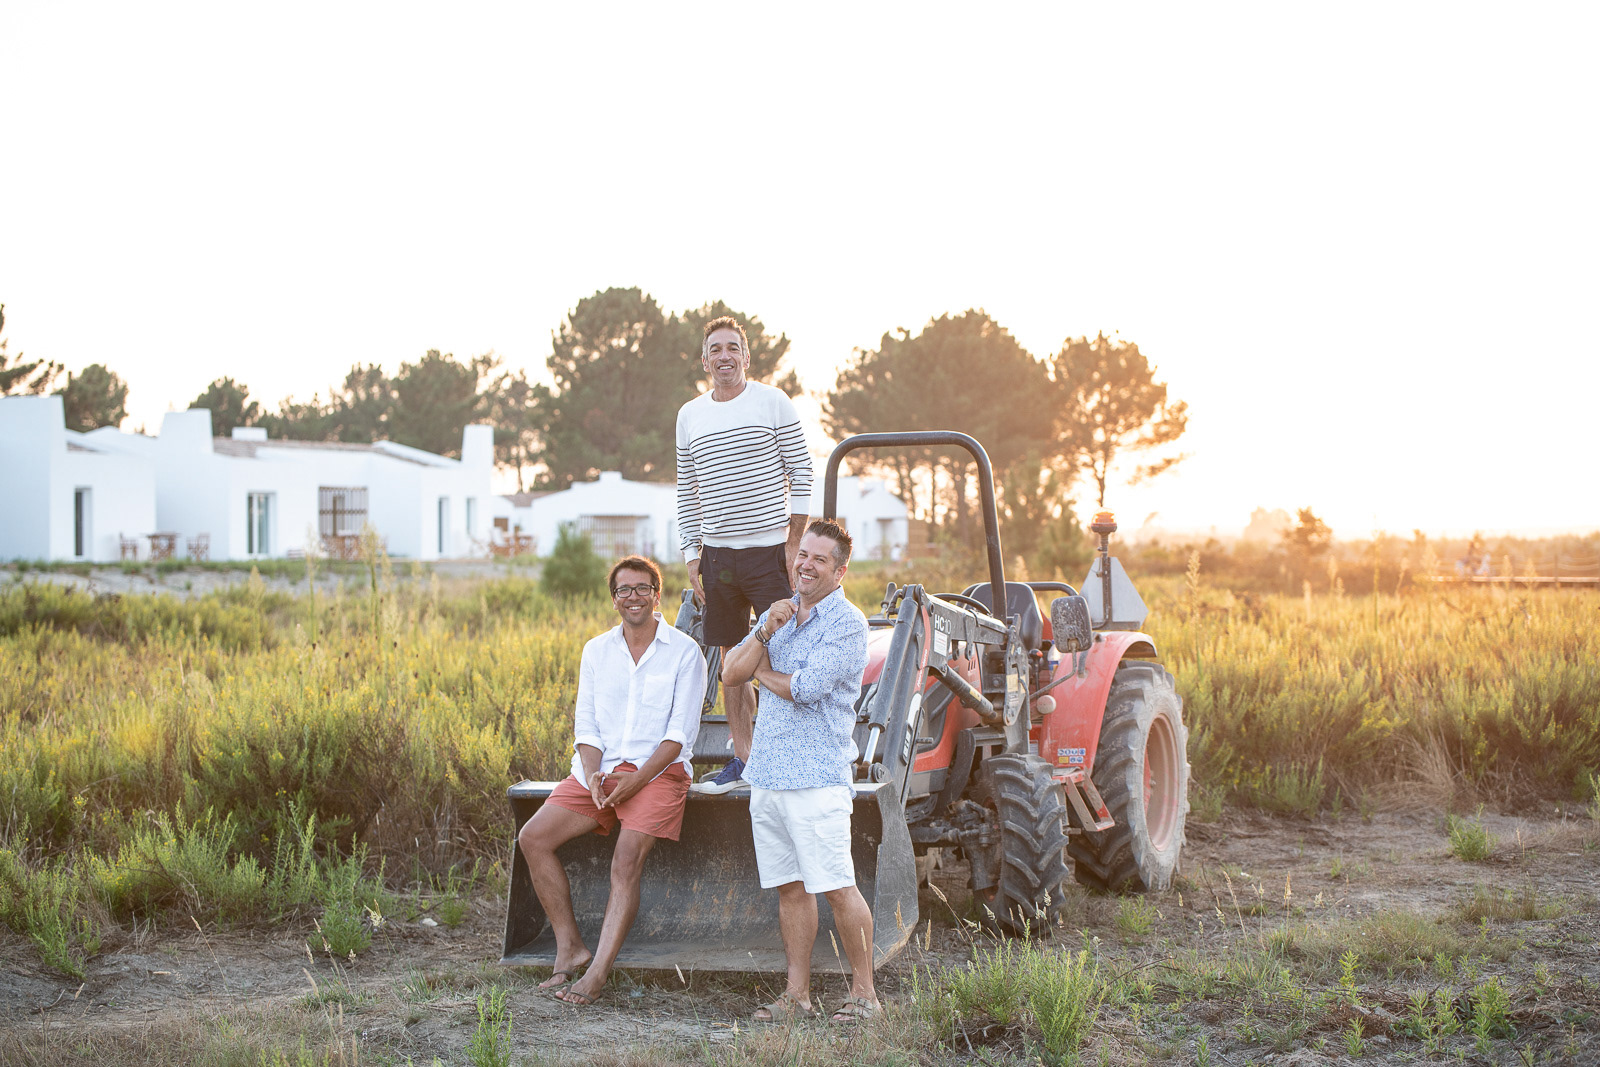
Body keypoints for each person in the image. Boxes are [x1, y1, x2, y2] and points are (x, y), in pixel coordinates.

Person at [515, 555, 705, 1007]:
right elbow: (587, 726)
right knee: (533, 838)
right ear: (614, 599)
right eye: (624, 590)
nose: (633, 597)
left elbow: (679, 736)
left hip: (657, 773)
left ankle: (596, 975)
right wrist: (593, 776)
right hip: (599, 771)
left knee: (624, 862)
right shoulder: (596, 650)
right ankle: (570, 947)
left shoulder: (684, 652)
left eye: (642, 588)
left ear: (657, 595)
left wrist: (634, 783)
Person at [721, 519, 881, 1023]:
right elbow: (730, 673)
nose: (806, 565)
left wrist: (761, 671)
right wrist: (764, 631)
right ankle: (797, 998)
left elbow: (806, 689)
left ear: (840, 571)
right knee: (790, 888)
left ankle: (865, 996)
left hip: (816, 777)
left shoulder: (847, 624)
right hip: (768, 775)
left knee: (837, 886)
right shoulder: (779, 614)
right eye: (803, 555)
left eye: (819, 559)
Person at [676, 315, 812, 793]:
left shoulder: (772, 402)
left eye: (732, 347)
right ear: (705, 360)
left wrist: (794, 542)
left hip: (770, 553)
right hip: (718, 559)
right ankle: (744, 759)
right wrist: (692, 553)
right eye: (715, 349)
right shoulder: (690, 415)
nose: (725, 356)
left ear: (746, 357)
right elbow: (687, 489)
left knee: (784, 655)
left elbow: (802, 470)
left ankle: (789, 757)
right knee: (732, 662)